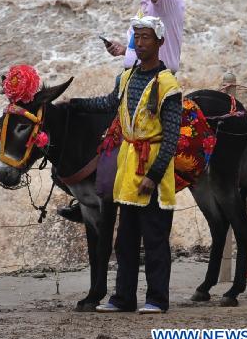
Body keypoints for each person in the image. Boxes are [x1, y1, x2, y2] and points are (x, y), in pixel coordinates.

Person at [58, 0, 186, 223]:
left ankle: (108, 194)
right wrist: (121, 50)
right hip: (133, 77)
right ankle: (91, 195)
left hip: (155, 82)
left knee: (113, 131)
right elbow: (139, 47)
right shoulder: (146, 4)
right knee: (101, 130)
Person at [69, 17, 182, 314]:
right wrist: (74, 104)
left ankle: (157, 299)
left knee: (155, 238)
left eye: (146, 37)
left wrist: (154, 176)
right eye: (137, 37)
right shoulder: (128, 77)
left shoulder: (168, 85)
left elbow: (171, 138)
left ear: (159, 42)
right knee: (126, 239)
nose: (140, 43)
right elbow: (109, 104)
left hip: (151, 167)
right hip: (129, 166)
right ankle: (123, 298)